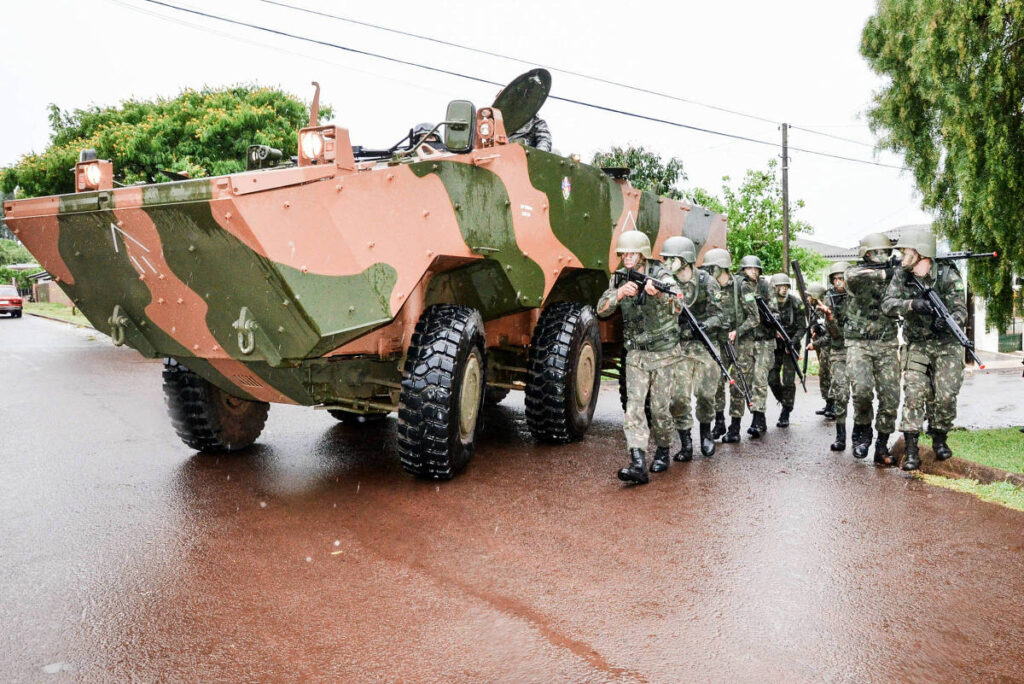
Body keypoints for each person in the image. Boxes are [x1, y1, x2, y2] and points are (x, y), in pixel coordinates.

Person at [597, 231, 683, 483]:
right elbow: (601, 310)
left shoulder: (661, 274)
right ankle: (637, 463)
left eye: (631, 254)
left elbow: (679, 303)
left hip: (664, 353)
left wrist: (660, 295)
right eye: (623, 254)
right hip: (636, 354)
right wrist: (620, 293)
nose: (626, 258)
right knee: (634, 408)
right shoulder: (619, 278)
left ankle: (664, 449)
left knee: (659, 410)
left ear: (642, 255)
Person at [881, 228, 967, 471]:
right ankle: (910, 451)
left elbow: (961, 311)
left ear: (922, 253)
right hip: (917, 344)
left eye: (907, 252)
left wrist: (948, 320)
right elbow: (887, 304)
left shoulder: (948, 275)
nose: (902, 257)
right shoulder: (902, 275)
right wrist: (911, 304)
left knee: (946, 395)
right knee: (914, 395)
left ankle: (939, 438)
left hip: (947, 344)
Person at [662, 236, 726, 461]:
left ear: (686, 260)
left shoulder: (706, 281)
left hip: (704, 346)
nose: (668, 264)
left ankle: (706, 432)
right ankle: (686, 442)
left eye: (673, 259)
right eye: (667, 259)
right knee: (678, 397)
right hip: (679, 347)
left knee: (706, 395)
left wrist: (704, 325)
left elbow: (720, 315)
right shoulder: (667, 282)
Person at [844, 233, 902, 466]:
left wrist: (901, 271)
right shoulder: (855, 273)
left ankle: (881, 444)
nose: (883, 256)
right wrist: (891, 271)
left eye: (886, 252)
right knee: (862, 391)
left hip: (886, 342)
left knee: (890, 396)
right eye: (878, 252)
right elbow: (859, 277)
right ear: (867, 254)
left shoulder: (896, 275)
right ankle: (863, 430)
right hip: (859, 343)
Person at [734, 255, 776, 439]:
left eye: (756, 269)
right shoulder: (739, 287)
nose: (753, 271)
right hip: (745, 341)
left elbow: (775, 311)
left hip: (764, 340)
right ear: (743, 270)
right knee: (744, 379)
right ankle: (746, 420)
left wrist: (769, 317)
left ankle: (757, 420)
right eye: (750, 268)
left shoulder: (766, 286)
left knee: (760, 380)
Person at [703, 248, 743, 441]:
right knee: (716, 384)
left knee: (737, 384)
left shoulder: (741, 287)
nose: (709, 272)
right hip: (717, 341)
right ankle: (719, 423)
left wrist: (738, 331)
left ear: (721, 267)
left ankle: (735, 428)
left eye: (712, 268)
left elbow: (754, 318)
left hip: (737, 343)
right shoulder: (710, 287)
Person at [766, 273, 807, 428]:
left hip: (791, 346)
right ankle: (784, 400)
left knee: (789, 380)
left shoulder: (796, 303)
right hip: (775, 346)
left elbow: (803, 327)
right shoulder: (769, 304)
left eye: (786, 286)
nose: (783, 289)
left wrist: (793, 342)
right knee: (772, 378)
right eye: (780, 286)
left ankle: (786, 411)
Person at [820, 262, 852, 451]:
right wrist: (830, 318)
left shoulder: (859, 296)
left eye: (842, 278)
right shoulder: (831, 298)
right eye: (835, 279)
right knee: (840, 393)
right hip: (840, 349)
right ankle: (841, 436)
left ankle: (860, 436)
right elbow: (835, 334)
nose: (838, 283)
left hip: (860, 348)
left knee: (861, 394)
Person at [805, 283, 833, 418]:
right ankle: (828, 403)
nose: (808, 298)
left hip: (829, 348)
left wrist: (814, 344)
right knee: (823, 376)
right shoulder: (815, 310)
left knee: (829, 375)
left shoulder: (826, 310)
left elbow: (830, 335)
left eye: (810, 296)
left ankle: (833, 406)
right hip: (822, 347)